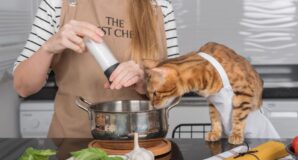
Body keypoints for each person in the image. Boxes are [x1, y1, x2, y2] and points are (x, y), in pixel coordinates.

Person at [13, 0, 179, 138]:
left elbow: (174, 93)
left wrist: (145, 82)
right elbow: (23, 87)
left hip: (142, 146)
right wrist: (48, 48)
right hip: (73, 150)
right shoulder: (58, 4)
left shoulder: (160, 7)